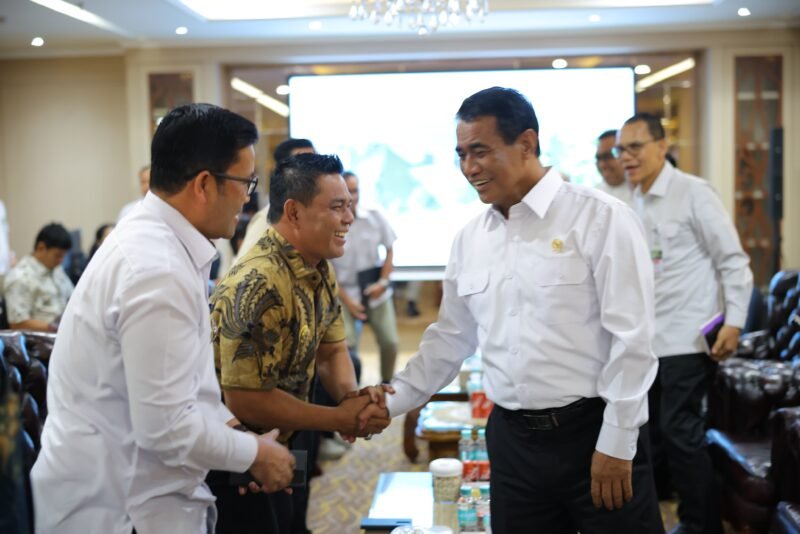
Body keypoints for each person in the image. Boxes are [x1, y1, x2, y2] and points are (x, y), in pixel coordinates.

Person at [366, 87, 663, 533]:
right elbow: (449, 340)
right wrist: (389, 403)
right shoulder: (470, 238)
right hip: (512, 443)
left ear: (526, 143)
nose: (469, 168)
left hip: (595, 433)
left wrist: (619, 442)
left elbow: (633, 340)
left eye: (480, 151)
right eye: (461, 154)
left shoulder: (600, 218)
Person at [30, 103, 295, 534]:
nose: (249, 198)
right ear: (204, 184)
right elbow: (166, 429)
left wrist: (240, 437)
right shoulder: (156, 268)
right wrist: (255, 455)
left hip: (138, 491)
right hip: (120, 508)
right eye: (246, 183)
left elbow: (190, 385)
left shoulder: (165, 242)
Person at [209, 153, 391, 534]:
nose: (349, 218)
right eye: (337, 207)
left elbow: (332, 349)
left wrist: (351, 399)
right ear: (293, 212)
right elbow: (246, 398)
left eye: (350, 206)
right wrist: (337, 418)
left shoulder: (318, 266)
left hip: (287, 439)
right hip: (239, 456)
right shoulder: (258, 282)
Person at [616, 112, 753, 534]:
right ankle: (661, 520)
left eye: (635, 147)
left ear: (662, 146)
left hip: (688, 340)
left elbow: (732, 260)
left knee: (681, 434)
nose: (626, 158)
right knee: (652, 437)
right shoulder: (633, 199)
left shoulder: (694, 193)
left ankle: (702, 525)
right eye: (622, 150)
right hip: (648, 342)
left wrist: (734, 322)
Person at [331, 171, 400, 384]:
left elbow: (390, 250)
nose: (353, 196)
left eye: (356, 190)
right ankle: (352, 391)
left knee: (390, 342)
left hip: (375, 289)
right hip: (344, 293)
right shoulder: (331, 223)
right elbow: (327, 269)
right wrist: (347, 301)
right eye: (348, 191)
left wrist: (383, 282)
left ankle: (386, 383)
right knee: (347, 346)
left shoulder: (374, 217)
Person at [233, 138, 316, 264]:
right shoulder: (267, 220)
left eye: (314, 162)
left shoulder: (315, 215)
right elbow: (241, 271)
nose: (313, 170)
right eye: (303, 163)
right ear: (284, 172)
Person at [4, 222, 74, 332]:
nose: (61, 261)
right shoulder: (20, 277)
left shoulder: (57, 270)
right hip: (40, 341)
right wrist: (56, 328)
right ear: (41, 248)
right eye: (57, 255)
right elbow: (17, 323)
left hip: (63, 333)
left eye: (63, 256)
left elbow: (72, 298)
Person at [595, 129, 631, 203]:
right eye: (599, 158)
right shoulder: (595, 196)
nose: (602, 164)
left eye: (608, 156)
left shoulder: (643, 191)